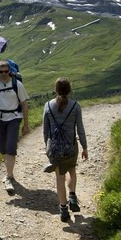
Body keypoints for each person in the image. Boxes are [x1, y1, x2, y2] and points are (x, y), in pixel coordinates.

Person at [42, 77, 88, 222]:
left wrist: (48, 148)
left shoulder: (48, 106)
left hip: (55, 148)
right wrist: (85, 147)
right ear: (69, 90)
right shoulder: (75, 106)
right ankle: (72, 196)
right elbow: (80, 129)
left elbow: (45, 131)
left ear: (55, 90)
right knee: (72, 170)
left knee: (59, 177)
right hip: (71, 146)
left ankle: (63, 210)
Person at [0, 60, 29, 195]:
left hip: (14, 117)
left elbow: (25, 104)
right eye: (1, 71)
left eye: (6, 71)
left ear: (10, 71)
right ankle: (10, 171)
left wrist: (26, 124)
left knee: (10, 147)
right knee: (3, 147)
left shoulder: (17, 84)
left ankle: (8, 176)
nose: (4, 73)